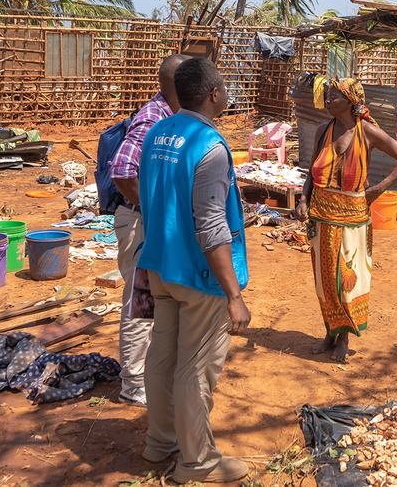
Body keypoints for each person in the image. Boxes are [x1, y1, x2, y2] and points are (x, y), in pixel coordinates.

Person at [136, 57, 252, 482]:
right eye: (223, 87)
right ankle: (197, 462)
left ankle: (159, 441)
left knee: (162, 356)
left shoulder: (157, 133)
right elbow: (212, 226)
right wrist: (234, 296)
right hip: (199, 276)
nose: (226, 93)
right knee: (195, 368)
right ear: (212, 95)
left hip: (161, 266)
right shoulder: (211, 147)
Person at [294, 79, 397, 363]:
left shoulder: (368, 132)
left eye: (334, 95)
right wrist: (303, 199)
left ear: (350, 101)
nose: (328, 99)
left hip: (353, 217)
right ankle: (330, 332)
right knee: (324, 280)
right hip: (322, 215)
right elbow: (311, 173)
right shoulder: (323, 130)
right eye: (327, 95)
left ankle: (345, 337)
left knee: (348, 278)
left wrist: (377, 189)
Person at [109, 53, 190, 406]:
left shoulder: (171, 116)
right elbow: (123, 169)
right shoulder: (153, 118)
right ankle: (133, 384)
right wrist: (150, 208)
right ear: (179, 85)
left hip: (150, 222)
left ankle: (147, 374)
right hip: (141, 223)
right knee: (140, 304)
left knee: (154, 302)